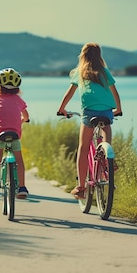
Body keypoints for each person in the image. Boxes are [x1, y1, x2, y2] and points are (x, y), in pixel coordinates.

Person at [57, 42, 123, 199]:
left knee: (83, 147)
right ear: (99, 56)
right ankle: (108, 157)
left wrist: (62, 109)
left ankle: (80, 188)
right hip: (107, 111)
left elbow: (69, 93)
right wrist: (118, 109)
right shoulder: (105, 72)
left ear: (83, 55)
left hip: (89, 112)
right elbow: (115, 92)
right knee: (106, 127)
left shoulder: (80, 72)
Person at [0, 68, 30, 199]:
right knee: (19, 159)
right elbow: (26, 116)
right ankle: (22, 187)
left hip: (0, 133)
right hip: (15, 134)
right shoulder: (19, 100)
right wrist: (23, 120)